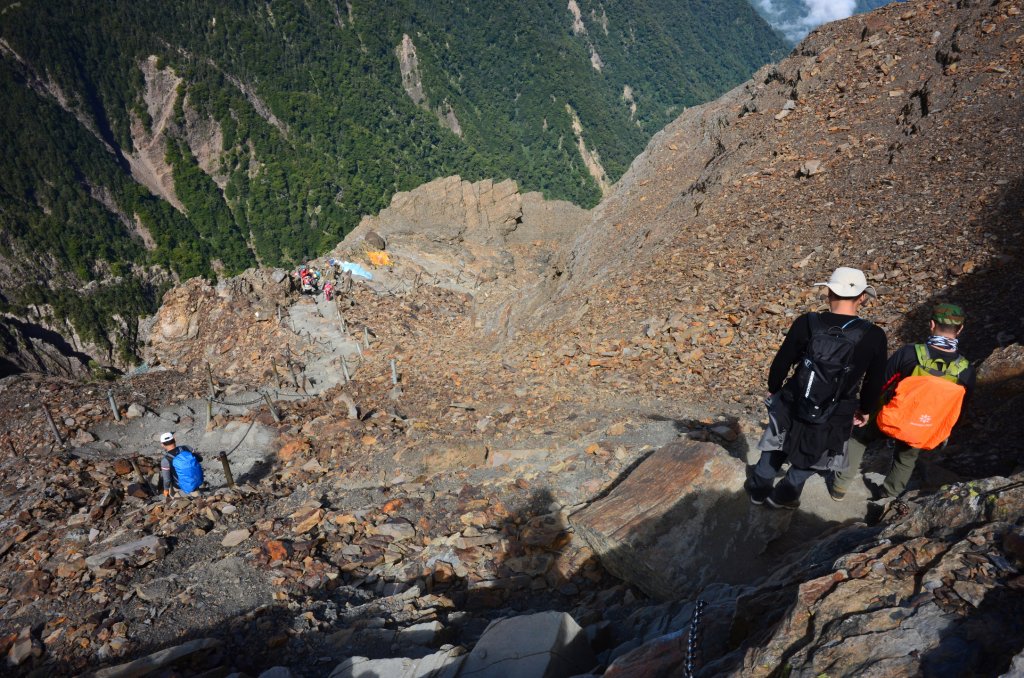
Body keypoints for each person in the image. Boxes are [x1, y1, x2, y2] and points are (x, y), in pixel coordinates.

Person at [746, 267, 889, 509]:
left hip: (795, 397)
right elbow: (874, 380)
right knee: (817, 451)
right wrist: (864, 409)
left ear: (829, 292)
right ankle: (784, 495)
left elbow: (782, 360)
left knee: (778, 441)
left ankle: (759, 488)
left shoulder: (807, 322)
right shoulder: (874, 335)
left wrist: (775, 388)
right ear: (862, 297)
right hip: (837, 408)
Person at [829, 303, 975, 501]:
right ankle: (887, 498)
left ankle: (840, 486)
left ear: (931, 324)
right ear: (960, 330)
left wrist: (865, 410)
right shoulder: (966, 370)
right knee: (906, 457)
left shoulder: (910, 354)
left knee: (860, 436)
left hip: (891, 416)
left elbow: (880, 384)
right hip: (923, 424)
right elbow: (959, 409)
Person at [159, 432, 204, 497]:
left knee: (171, 492)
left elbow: (167, 479)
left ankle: (178, 498)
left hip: (179, 486)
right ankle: (196, 493)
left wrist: (166, 489)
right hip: (195, 480)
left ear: (162, 445)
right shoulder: (186, 448)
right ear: (174, 439)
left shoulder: (165, 460)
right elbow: (200, 459)